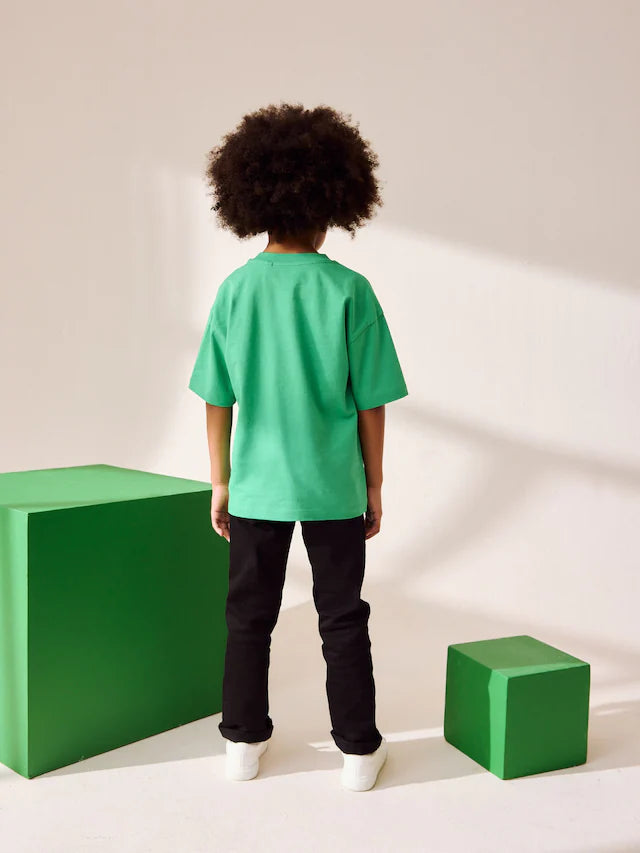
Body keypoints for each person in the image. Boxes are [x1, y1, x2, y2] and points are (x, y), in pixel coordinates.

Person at [188, 102, 408, 791]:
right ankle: (358, 752)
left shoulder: (235, 291)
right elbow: (370, 403)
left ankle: (242, 743)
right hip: (333, 487)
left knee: (248, 619)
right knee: (342, 617)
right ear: (333, 202)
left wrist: (221, 481)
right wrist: (374, 484)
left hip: (256, 487)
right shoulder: (350, 291)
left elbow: (216, 398)